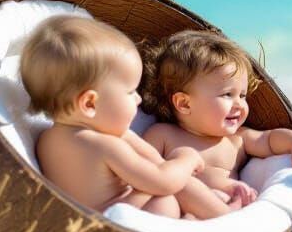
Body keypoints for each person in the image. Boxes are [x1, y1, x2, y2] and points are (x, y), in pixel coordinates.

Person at [19, 16, 243, 219]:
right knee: (167, 195)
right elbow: (162, 180)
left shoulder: (48, 139)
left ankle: (198, 216)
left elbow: (154, 160)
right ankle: (223, 217)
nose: (137, 99)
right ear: (89, 103)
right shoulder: (104, 144)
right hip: (115, 224)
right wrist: (186, 158)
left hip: (81, 228)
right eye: (129, 92)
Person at [140, 30, 292, 203]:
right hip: (179, 205)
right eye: (227, 95)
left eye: (242, 95)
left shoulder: (237, 139)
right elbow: (142, 170)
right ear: (184, 104)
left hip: (226, 210)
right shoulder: (163, 135)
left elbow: (269, 139)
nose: (239, 104)